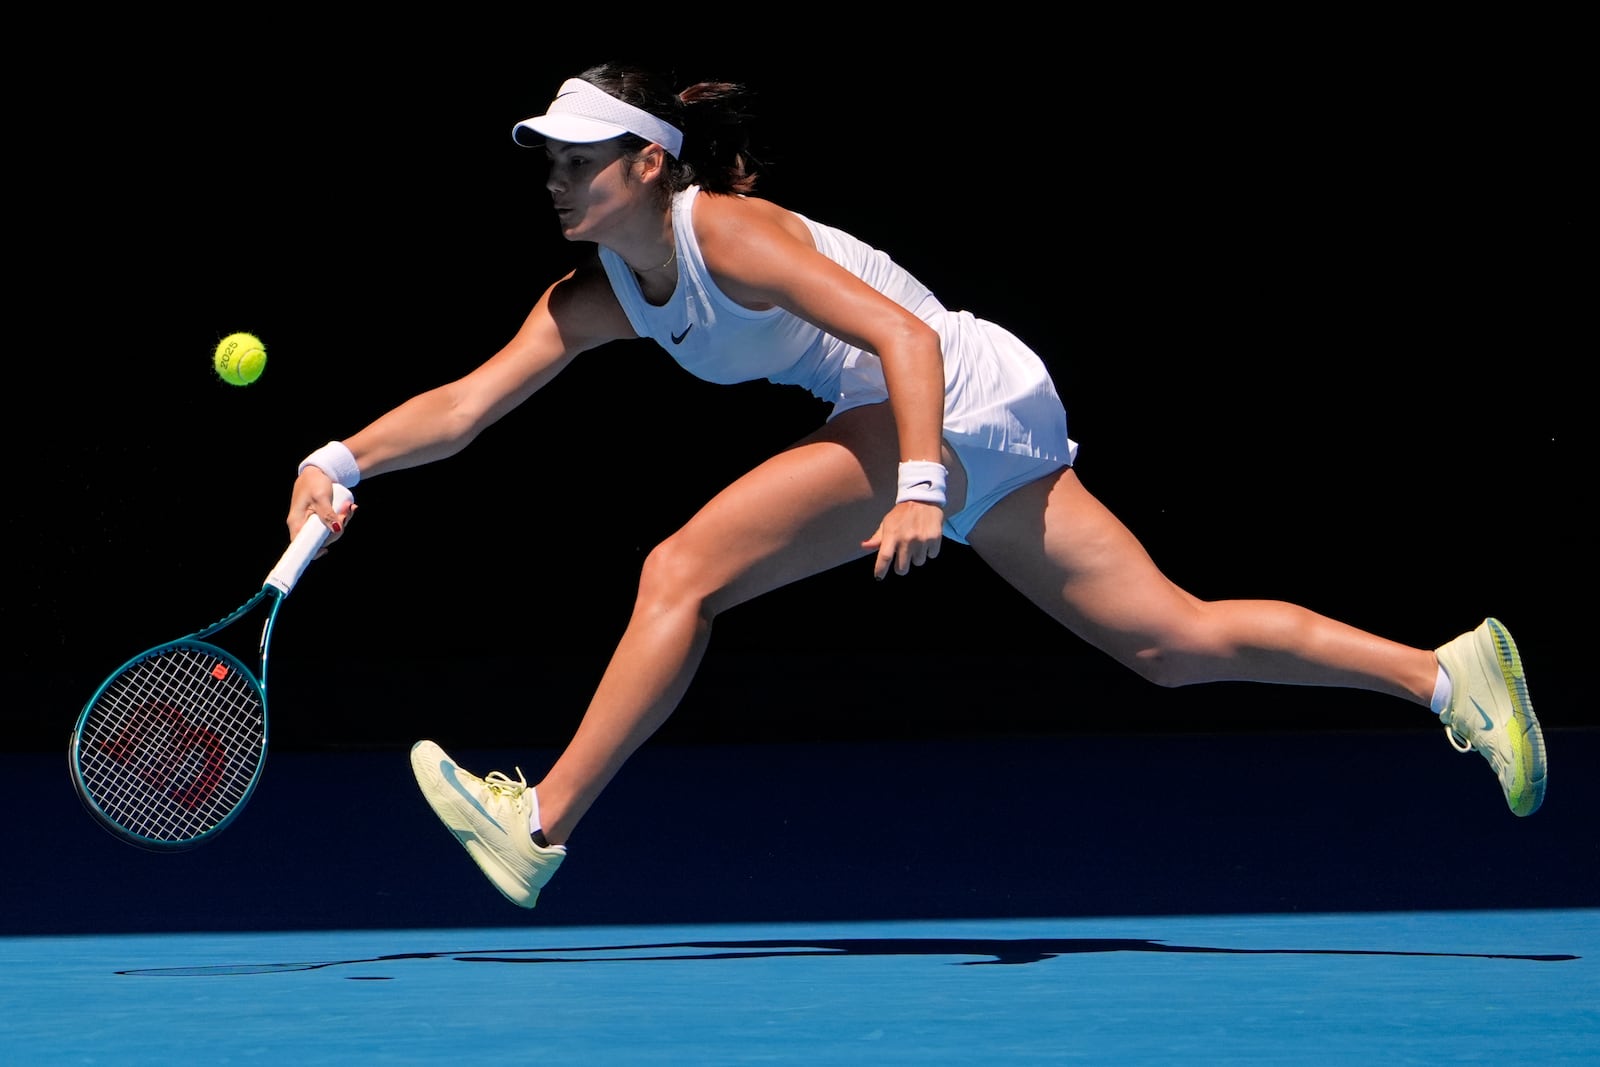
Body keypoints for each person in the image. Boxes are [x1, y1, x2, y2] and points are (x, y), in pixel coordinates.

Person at [286, 62, 1548, 910]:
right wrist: (333, 463)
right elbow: (463, 406)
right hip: (980, 408)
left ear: (655, 162)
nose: (556, 175)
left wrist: (921, 484)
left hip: (953, 392)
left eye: (581, 154)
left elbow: (906, 336)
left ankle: (541, 822)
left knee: (679, 569)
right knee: (1171, 641)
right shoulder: (593, 296)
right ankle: (1448, 673)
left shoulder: (728, 231)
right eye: (547, 159)